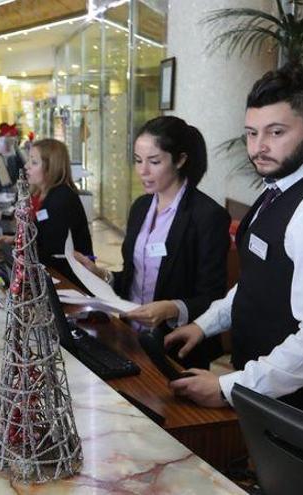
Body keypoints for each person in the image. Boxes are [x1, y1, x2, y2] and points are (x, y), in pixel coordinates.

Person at [165, 65, 303, 429]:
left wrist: (229, 388)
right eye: (251, 133)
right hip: (263, 392)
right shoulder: (282, 183)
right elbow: (260, 281)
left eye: (275, 132)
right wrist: (204, 324)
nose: (257, 148)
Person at [74, 116, 229, 369]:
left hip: (175, 348)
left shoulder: (207, 216)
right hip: (130, 336)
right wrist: (101, 274)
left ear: (180, 160)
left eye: (154, 161)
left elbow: (213, 296)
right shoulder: (141, 207)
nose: (142, 171)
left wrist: (172, 308)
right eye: (138, 160)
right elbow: (133, 278)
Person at [0, 138, 93, 282]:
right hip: (51, 272)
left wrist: (16, 250)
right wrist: (14, 240)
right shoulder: (39, 193)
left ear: (51, 168)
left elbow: (48, 249)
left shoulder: (61, 199)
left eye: (34, 162)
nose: (26, 166)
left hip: (70, 280)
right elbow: (39, 232)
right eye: (29, 160)